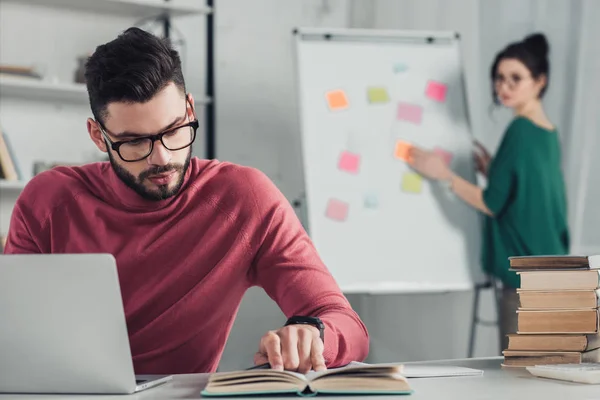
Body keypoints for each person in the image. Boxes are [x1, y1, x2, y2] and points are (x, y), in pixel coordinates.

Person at [3, 27, 369, 374]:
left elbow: (346, 324)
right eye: (134, 142)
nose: (161, 158)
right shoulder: (49, 201)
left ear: (190, 110)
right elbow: (13, 333)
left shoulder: (244, 199)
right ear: (98, 136)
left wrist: (314, 334)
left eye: (174, 130)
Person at [407, 33, 569, 351]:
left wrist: (444, 175)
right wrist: (494, 169)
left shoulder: (519, 131)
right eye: (499, 78)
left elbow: (492, 203)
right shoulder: (547, 132)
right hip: (554, 273)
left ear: (539, 82)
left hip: (525, 281)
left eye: (515, 79)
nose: (503, 87)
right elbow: (528, 191)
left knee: (520, 378)